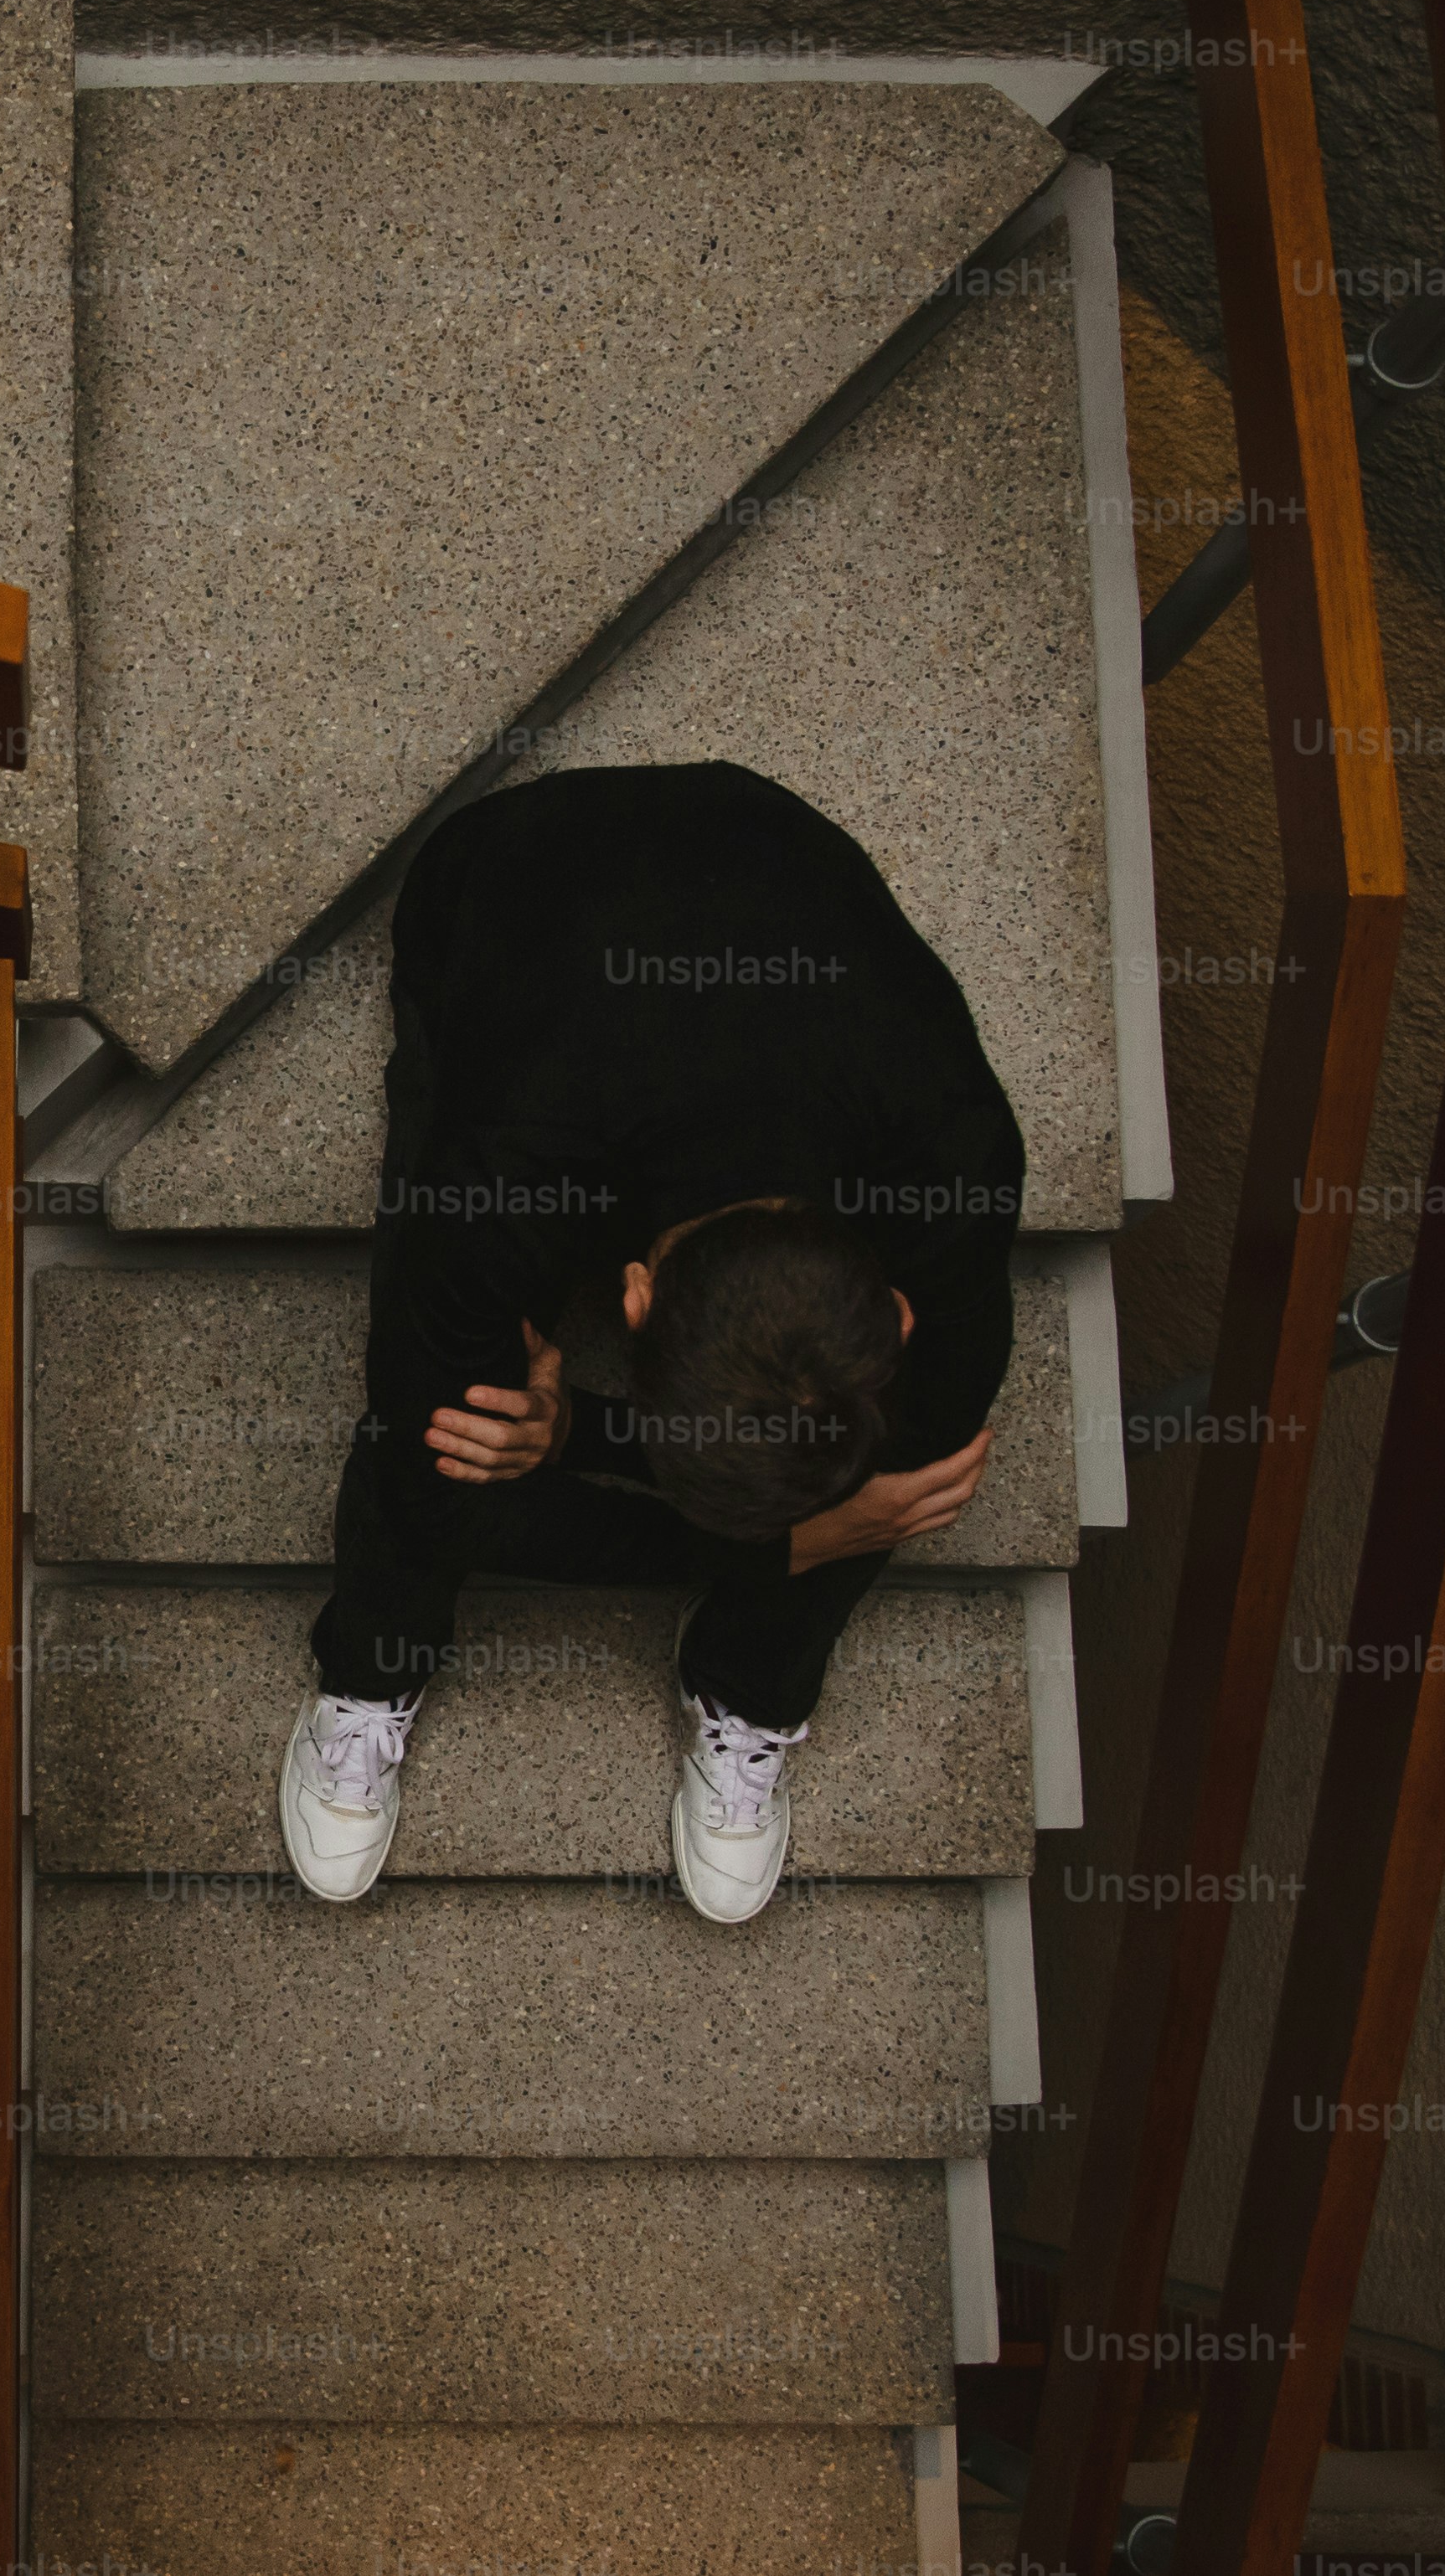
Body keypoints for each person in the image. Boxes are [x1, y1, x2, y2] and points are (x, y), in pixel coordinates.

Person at [276, 762, 1020, 1924]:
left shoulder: (952, 1164)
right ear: (626, 1302)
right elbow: (432, 1486)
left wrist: (585, 1438)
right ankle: (371, 1659)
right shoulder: (507, 1176)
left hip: (769, 845)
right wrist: (784, 1543)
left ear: (896, 1308)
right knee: (436, 1433)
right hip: (511, 884)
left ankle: (749, 1681)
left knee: (891, 1470)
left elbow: (928, 1450)